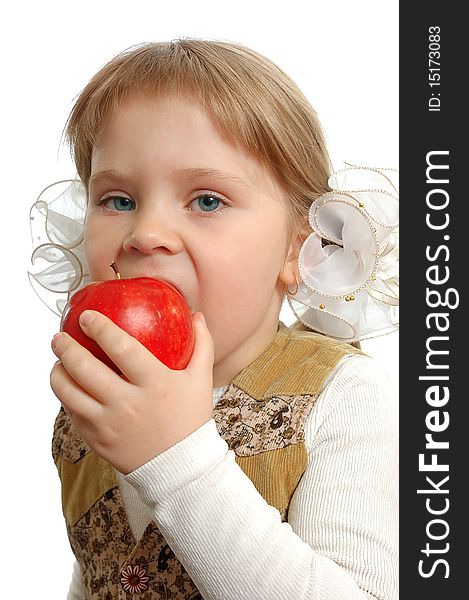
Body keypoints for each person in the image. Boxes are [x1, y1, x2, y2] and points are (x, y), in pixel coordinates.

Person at [32, 38, 399, 599]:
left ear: (299, 249)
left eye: (207, 200)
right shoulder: (96, 401)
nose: (145, 234)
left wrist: (173, 456)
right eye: (118, 199)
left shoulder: (339, 394)